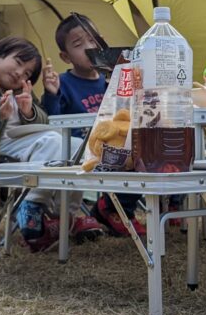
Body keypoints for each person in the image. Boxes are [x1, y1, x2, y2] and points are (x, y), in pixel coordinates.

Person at [0, 35, 104, 251]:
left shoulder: (20, 91)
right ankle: (32, 208)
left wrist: (29, 111)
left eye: (27, 73)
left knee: (73, 146)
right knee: (52, 142)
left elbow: (45, 120)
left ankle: (65, 217)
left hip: (23, 148)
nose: (19, 73)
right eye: (18, 62)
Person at [41, 14, 146, 236]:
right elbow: (52, 123)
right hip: (82, 150)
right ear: (65, 56)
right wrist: (51, 94)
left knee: (147, 146)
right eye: (79, 44)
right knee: (127, 152)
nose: (89, 47)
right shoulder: (64, 83)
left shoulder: (114, 79)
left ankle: (157, 205)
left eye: (93, 41)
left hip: (117, 147)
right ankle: (112, 210)